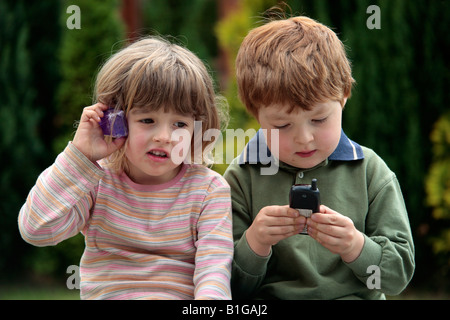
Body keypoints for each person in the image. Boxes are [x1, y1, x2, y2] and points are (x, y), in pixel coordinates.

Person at [18, 37, 233, 300]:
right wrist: (79, 157)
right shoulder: (96, 180)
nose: (164, 136)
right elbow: (36, 229)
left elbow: (214, 273)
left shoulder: (209, 190)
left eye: (179, 124)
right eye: (148, 120)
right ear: (114, 119)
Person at [223, 16, 415, 299]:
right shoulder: (241, 178)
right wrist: (255, 243)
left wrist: (355, 246)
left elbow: (396, 278)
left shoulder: (370, 171)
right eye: (282, 125)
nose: (304, 138)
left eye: (319, 119)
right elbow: (229, 288)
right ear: (255, 114)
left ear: (344, 97)